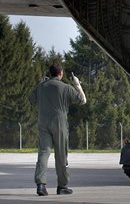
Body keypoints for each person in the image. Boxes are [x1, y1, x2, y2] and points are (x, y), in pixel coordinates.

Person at [29, 62, 87, 196]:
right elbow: (83, 100)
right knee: (61, 155)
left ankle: (41, 185)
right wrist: (77, 84)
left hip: (43, 122)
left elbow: (31, 99)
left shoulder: (41, 86)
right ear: (60, 73)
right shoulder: (66, 87)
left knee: (43, 153)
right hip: (60, 123)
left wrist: (40, 85)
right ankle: (62, 186)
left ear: (50, 73)